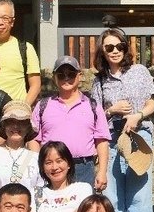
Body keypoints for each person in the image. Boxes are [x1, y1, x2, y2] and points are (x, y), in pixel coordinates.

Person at [90, 28, 154, 212]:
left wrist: (137, 115)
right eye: (109, 47)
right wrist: (112, 110)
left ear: (126, 47)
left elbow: (151, 103)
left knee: (139, 196)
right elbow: (95, 116)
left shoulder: (140, 71)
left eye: (119, 46)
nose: (115, 51)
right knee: (113, 197)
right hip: (110, 139)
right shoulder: (99, 80)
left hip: (138, 137)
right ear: (103, 51)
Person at [32, 56, 110, 192]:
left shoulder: (92, 106)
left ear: (79, 76)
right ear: (54, 77)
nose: (66, 78)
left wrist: (102, 171)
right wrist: (39, 165)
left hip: (83, 168)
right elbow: (34, 139)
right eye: (61, 75)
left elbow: (101, 140)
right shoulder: (42, 106)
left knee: (83, 210)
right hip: (52, 168)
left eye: (71, 74)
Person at [0, 101, 41, 199]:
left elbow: (39, 191)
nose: (16, 127)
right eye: (11, 122)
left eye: (22, 122)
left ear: (28, 127)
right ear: (4, 126)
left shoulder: (36, 158)